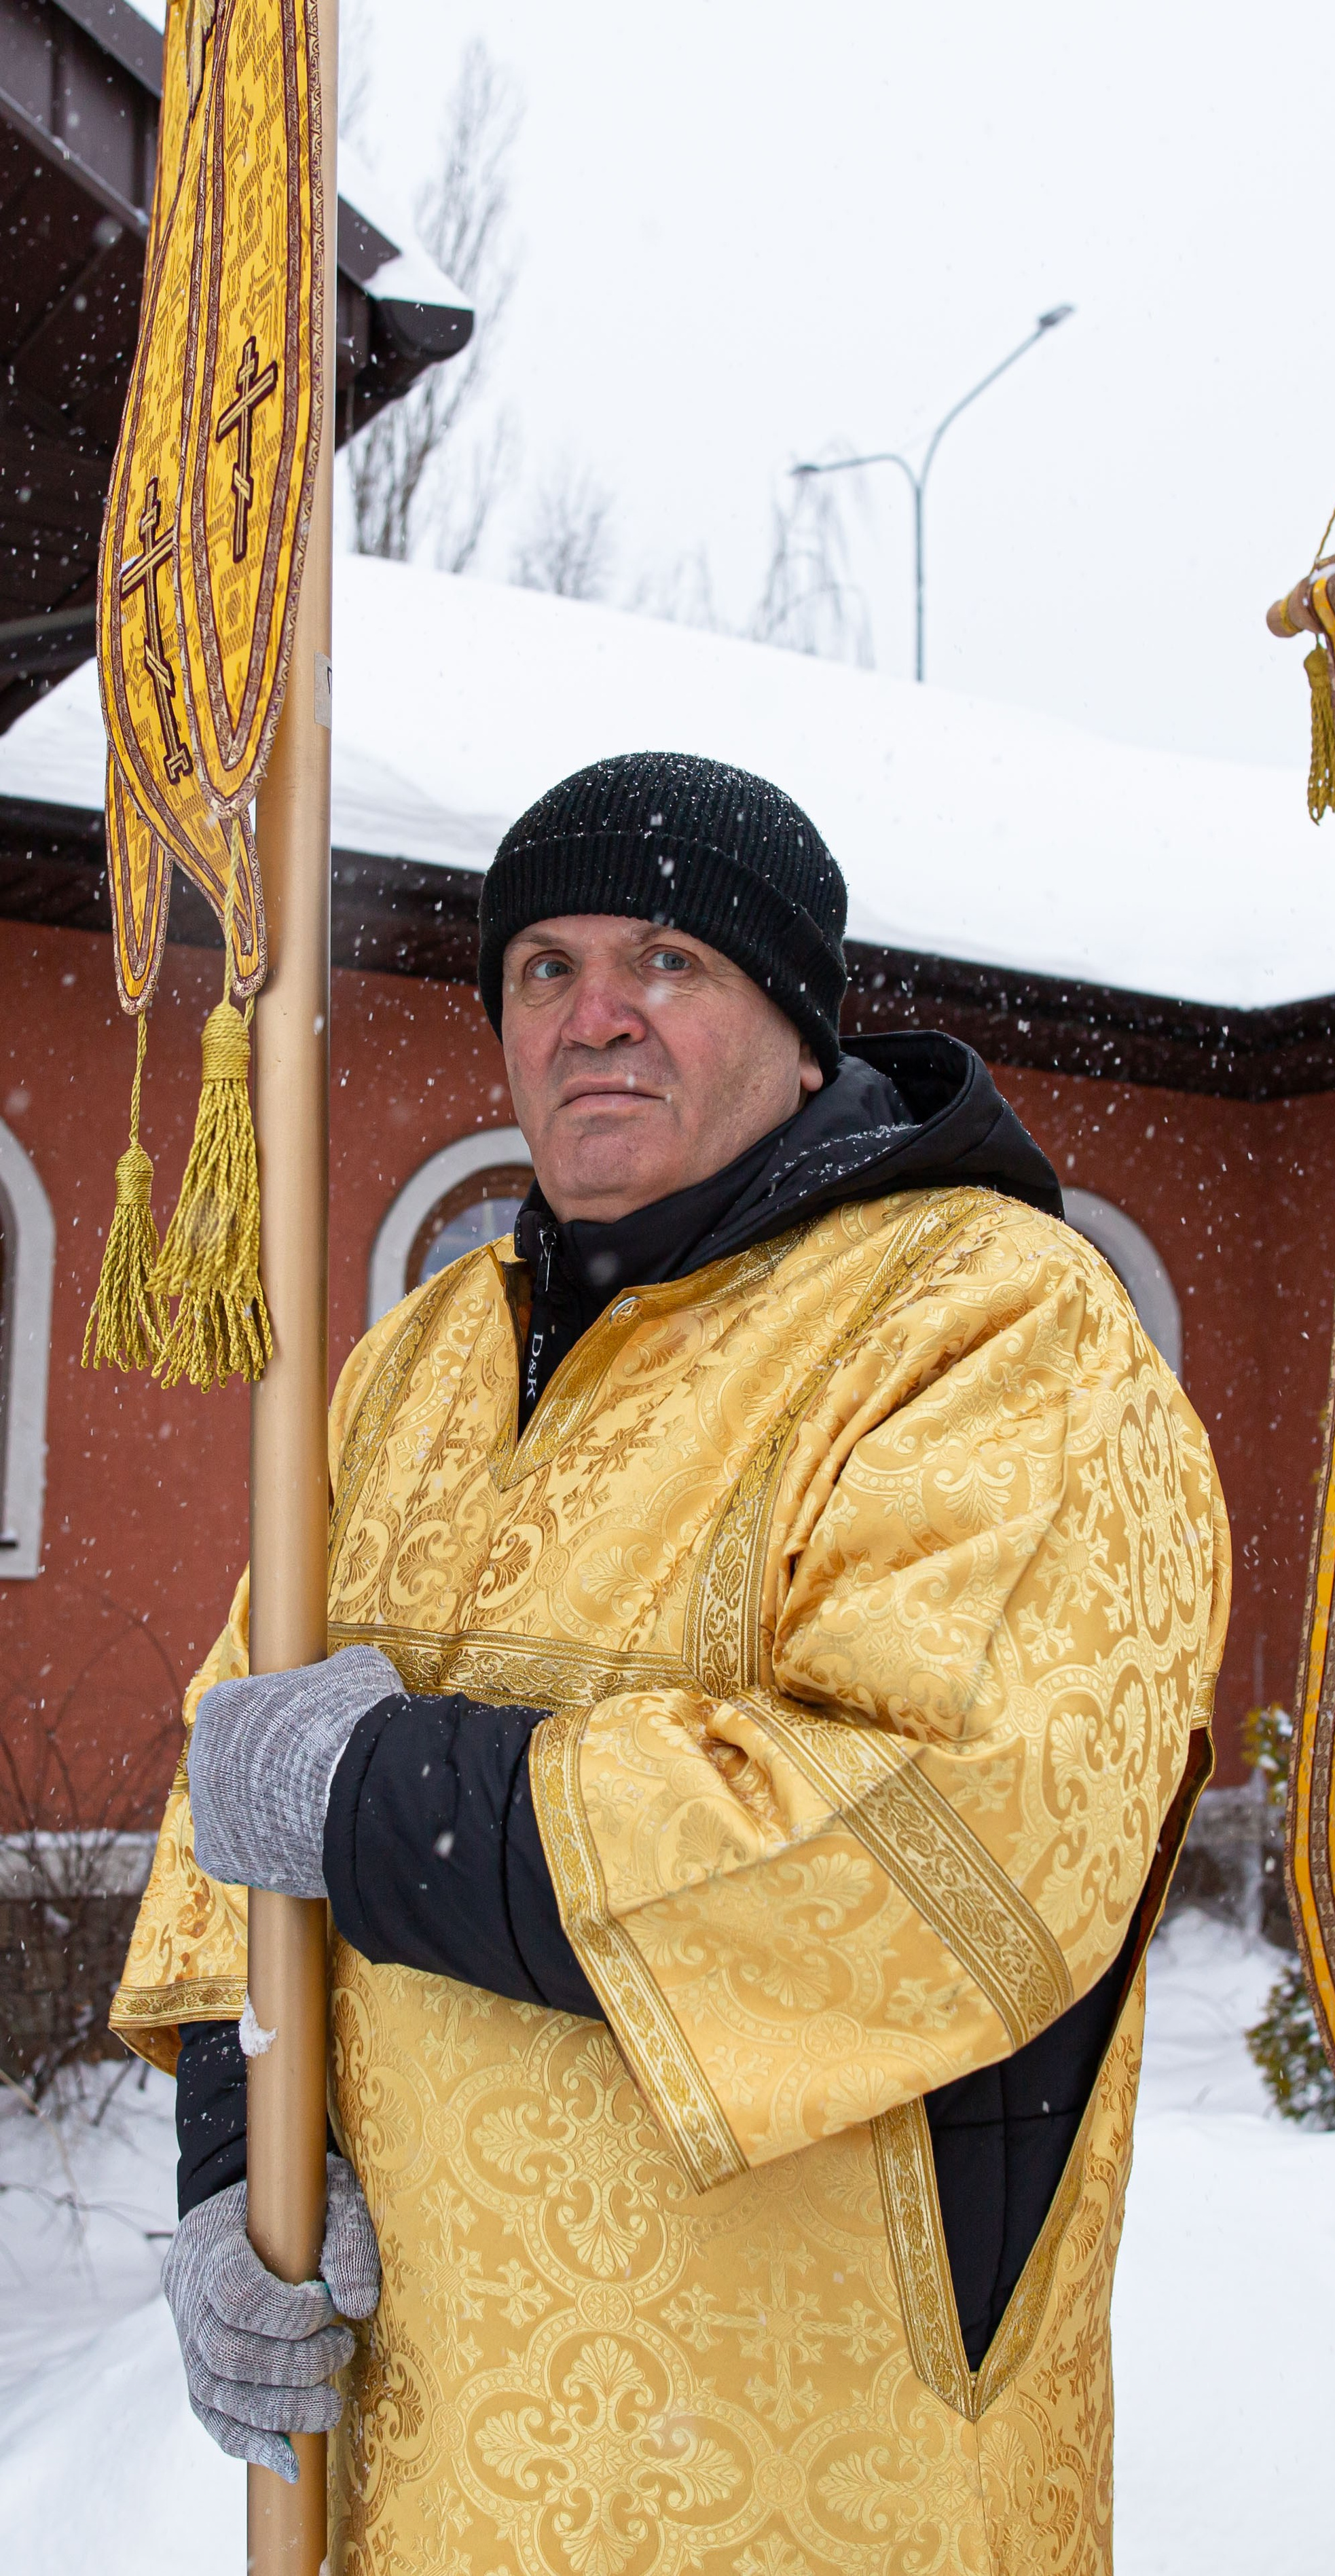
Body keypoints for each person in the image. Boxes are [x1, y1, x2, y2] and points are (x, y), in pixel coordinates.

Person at [113, 752, 1230, 2576]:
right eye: (541, 968)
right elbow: (238, 1773)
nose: (594, 1016)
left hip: (791, 2462)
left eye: (667, 960)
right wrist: (238, 2152)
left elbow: (950, 1839)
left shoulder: (997, 1329)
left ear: (799, 1025)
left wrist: (390, 1805)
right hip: (415, 2456)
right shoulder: (412, 1364)